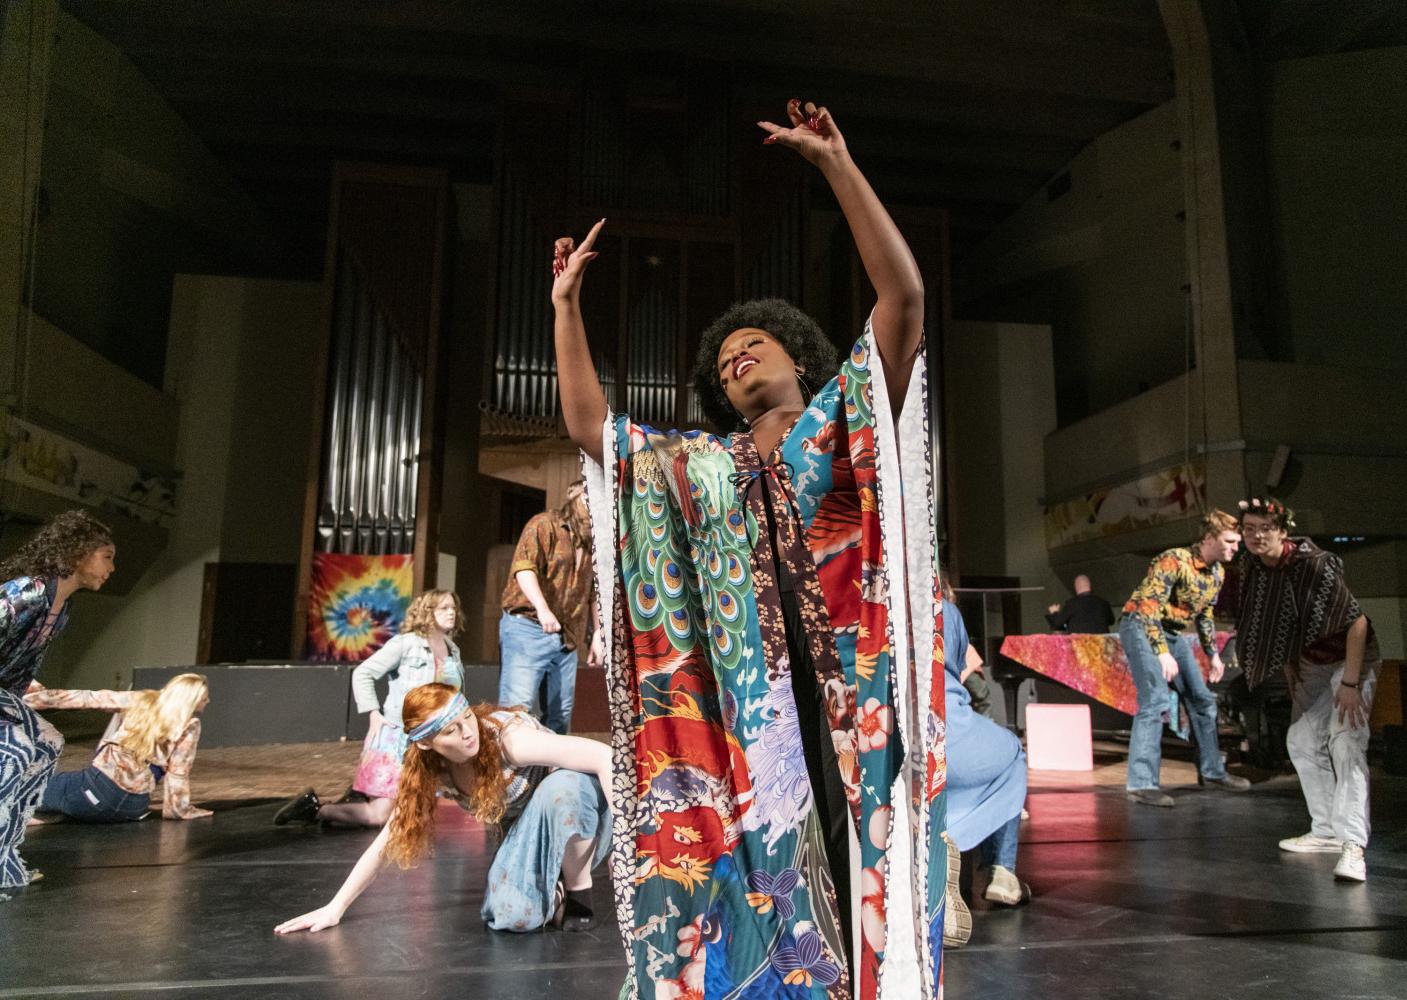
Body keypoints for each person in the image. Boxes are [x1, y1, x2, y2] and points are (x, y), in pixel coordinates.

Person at [554, 100, 944, 998]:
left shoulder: (844, 415)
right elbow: (590, 426)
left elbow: (906, 299)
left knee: (863, 856)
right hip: (750, 701)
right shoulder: (702, 465)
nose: (736, 357)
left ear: (798, 355)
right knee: (768, 863)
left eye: (753, 342)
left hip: (855, 682)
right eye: (723, 356)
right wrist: (566, 307)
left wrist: (836, 167)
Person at [274, 682, 612, 935]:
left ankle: (579, 891)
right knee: (510, 917)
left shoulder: (508, 740)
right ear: (426, 743)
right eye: (452, 730)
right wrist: (336, 907)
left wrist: (630, 840)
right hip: (528, 833)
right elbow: (388, 840)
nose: (468, 733)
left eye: (467, 718)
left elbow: (603, 757)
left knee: (563, 786)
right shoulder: (433, 772)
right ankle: (551, 886)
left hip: (585, 820)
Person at [1232, 497, 1378, 881]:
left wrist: (1349, 682)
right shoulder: (1253, 569)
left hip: (1350, 661)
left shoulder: (1315, 564)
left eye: (1266, 528)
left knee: (1345, 743)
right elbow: (1275, 627)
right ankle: (1327, 831)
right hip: (1312, 665)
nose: (1257, 536)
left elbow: (1356, 622)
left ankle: (1353, 846)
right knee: (1300, 741)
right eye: (1249, 529)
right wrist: (1292, 671)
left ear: (1283, 531)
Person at [274, 589, 464, 828]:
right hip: (397, 739)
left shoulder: (452, 650)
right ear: (427, 612)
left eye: (453, 608)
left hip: (429, 741)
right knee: (379, 816)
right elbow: (363, 673)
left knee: (419, 815)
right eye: (444, 608)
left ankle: (352, 798)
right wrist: (373, 714)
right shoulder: (407, 644)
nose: (451, 613)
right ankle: (316, 810)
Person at [0, 509, 114, 887]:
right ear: (79, 553)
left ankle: (6, 856)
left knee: (47, 742)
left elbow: (21, 657)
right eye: (107, 557)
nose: (111, 568)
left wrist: (23, 685)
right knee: (16, 753)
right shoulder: (28, 591)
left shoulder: (61, 608)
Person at [1120, 510, 1252, 807]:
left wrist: (1213, 655)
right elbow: (1149, 609)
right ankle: (1142, 783)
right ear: (1209, 538)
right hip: (1140, 625)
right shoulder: (1174, 560)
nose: (1235, 547)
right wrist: (1162, 653)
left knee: (1203, 699)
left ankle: (1213, 771)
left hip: (1173, 633)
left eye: (1236, 542)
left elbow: (1204, 614)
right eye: (1229, 541)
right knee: (1154, 700)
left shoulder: (1216, 572)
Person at [938, 595, 1028, 949]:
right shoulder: (943, 608)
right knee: (1011, 752)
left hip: (878, 731)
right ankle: (1001, 870)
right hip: (946, 728)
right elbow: (958, 667)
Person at [25, 673, 212, 823]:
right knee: (59, 799)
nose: (208, 701)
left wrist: (31, 699)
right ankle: (46, 813)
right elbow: (178, 773)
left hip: (95, 792)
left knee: (21, 783)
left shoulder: (141, 700)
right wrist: (181, 810)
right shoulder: (190, 726)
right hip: (132, 808)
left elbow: (87, 698)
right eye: (204, 698)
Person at [498, 480, 601, 734]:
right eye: (588, 494)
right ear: (573, 494)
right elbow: (523, 568)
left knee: (560, 714)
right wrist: (543, 609)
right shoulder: (545, 524)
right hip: (528, 626)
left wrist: (598, 634)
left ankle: (547, 772)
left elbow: (593, 592)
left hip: (566, 637)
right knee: (516, 709)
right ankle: (507, 772)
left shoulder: (593, 542)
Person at [1046, 574, 1115, 634]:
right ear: (1089, 585)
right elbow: (1111, 621)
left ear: (1076, 587)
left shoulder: (1071, 604)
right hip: (1100, 646)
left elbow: (1058, 624)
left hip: (1080, 647)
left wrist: (1054, 613)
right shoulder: (1104, 603)